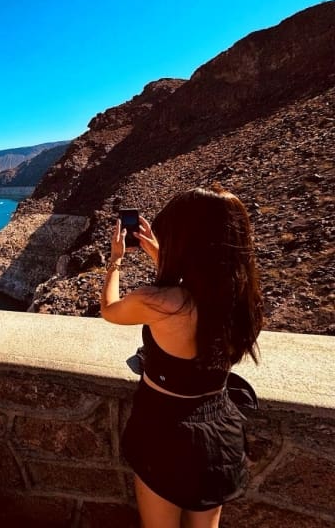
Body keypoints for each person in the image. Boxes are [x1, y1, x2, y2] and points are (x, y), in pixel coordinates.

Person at [100, 186, 263, 528]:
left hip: (165, 431)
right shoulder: (242, 298)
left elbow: (110, 310)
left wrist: (116, 260)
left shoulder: (159, 302)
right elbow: (202, 287)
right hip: (220, 429)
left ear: (187, 243)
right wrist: (162, 257)